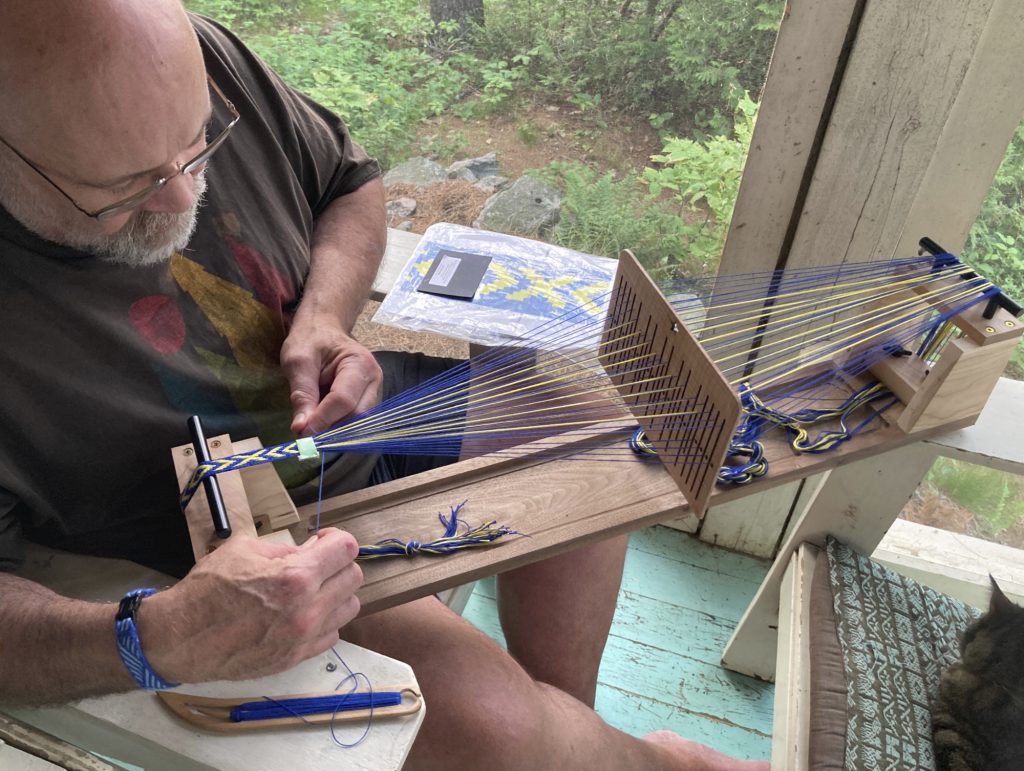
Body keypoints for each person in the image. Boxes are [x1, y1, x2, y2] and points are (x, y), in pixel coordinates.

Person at [0, 2, 766, 768]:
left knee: (596, 440)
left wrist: (325, 317)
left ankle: (575, 730)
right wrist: (155, 634)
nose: (182, 197)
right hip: (223, 537)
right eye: (128, 185)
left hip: (351, 413)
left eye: (199, 145)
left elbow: (347, 180)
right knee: (492, 725)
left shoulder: (188, 55)